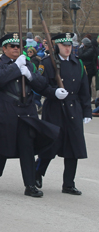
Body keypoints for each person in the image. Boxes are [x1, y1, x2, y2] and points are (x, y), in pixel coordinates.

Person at [0, 33, 59, 197]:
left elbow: (41, 84)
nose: (17, 49)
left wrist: (29, 73)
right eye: (13, 46)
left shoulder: (29, 63)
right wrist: (15, 67)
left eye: (19, 46)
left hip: (26, 110)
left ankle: (30, 184)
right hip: (5, 109)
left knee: (27, 147)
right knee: (0, 145)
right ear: (4, 48)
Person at [35, 33, 92, 195]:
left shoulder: (78, 64)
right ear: (57, 46)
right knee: (50, 145)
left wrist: (87, 110)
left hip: (73, 108)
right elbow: (40, 85)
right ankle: (38, 172)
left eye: (70, 45)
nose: (68, 48)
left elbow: (84, 91)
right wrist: (53, 92)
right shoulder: (48, 63)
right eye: (64, 45)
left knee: (74, 147)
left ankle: (68, 183)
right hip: (55, 108)